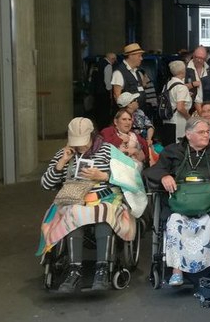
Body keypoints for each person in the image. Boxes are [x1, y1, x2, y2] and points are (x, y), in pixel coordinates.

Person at [37, 117, 137, 292]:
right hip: (74, 199)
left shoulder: (108, 151)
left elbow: (130, 177)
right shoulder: (65, 153)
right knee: (73, 212)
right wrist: (61, 164)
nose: (81, 147)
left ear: (92, 135)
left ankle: (102, 270)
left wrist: (104, 176)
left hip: (104, 197)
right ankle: (74, 271)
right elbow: (46, 184)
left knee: (103, 212)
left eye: (83, 142)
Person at [147, 117, 210, 287]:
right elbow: (153, 171)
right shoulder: (172, 152)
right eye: (201, 132)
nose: (206, 135)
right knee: (175, 221)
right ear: (188, 134)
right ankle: (177, 270)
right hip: (179, 205)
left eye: (208, 132)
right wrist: (164, 176)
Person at [161, 60, 193, 146]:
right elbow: (180, 107)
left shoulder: (167, 85)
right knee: (178, 145)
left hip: (167, 120)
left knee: (169, 145)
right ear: (183, 71)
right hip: (179, 122)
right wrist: (189, 118)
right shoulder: (181, 87)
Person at [111, 43, 146, 109]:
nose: (141, 58)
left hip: (138, 112)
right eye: (139, 56)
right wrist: (127, 111)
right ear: (131, 56)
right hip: (128, 114)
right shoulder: (119, 72)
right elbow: (116, 96)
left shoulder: (137, 71)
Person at [91, 52, 117, 129]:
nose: (114, 62)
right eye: (114, 60)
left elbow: (92, 78)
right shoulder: (108, 66)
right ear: (112, 59)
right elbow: (107, 81)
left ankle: (99, 126)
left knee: (98, 110)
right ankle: (104, 128)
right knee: (105, 111)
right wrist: (110, 92)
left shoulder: (97, 64)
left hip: (96, 91)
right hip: (104, 92)